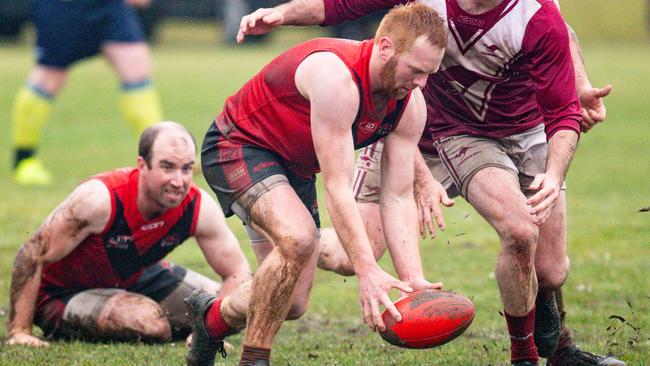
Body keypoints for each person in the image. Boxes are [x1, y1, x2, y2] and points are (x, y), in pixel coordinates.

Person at [237, 1, 620, 366]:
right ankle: (303, 239)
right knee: (347, 255)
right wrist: (280, 14)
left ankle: (558, 348)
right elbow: (341, 4)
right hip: (415, 129)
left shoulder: (534, 11)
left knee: (550, 269)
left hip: (514, 127)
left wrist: (579, 83)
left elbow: (559, 31)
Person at [186, 4, 448, 365]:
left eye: (429, 73)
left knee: (290, 302)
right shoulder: (336, 78)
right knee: (298, 237)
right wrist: (367, 271)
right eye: (415, 70)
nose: (421, 84)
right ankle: (255, 358)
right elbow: (338, 188)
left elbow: (398, 197)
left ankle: (210, 319)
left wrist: (413, 279)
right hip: (239, 145)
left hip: (293, 168)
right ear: (385, 48)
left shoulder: (410, 104)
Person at [6, 122, 252, 347]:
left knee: (241, 303)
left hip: (137, 277)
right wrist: (19, 331)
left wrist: (210, 331)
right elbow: (31, 253)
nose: (179, 181)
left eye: (186, 169)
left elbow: (237, 272)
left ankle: (186, 325)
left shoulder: (197, 205)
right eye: (167, 167)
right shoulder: (99, 199)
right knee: (149, 324)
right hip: (62, 293)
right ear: (142, 165)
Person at [10, 0, 163, 186]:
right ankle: (24, 160)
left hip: (108, 7)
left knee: (136, 69)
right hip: (65, 8)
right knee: (49, 77)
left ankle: (161, 154)